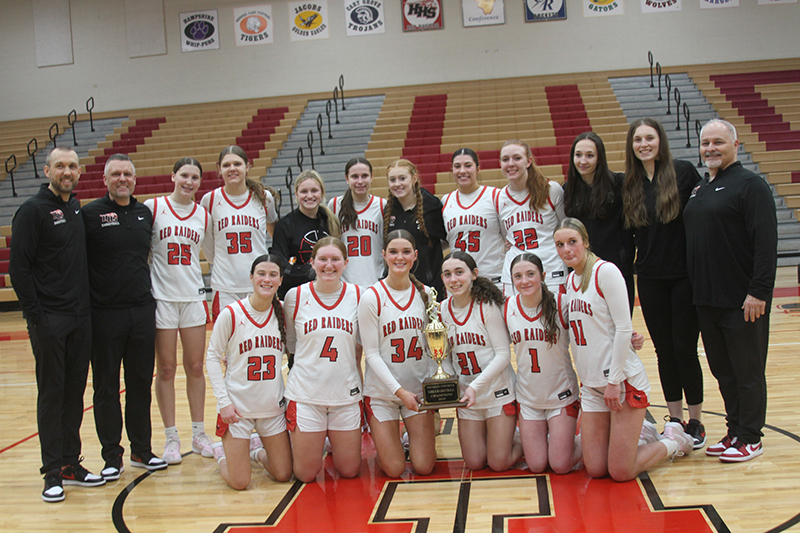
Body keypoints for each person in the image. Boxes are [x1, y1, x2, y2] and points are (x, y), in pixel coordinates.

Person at [554, 218, 693, 482]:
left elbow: (623, 326)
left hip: (622, 382)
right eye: (560, 245)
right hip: (592, 386)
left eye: (572, 242)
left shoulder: (606, 272)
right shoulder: (571, 280)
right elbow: (599, 327)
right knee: (595, 468)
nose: (566, 249)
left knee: (621, 471)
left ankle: (675, 441)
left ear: (585, 241)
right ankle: (643, 433)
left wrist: (614, 381)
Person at [9, 146, 105, 502]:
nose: (67, 171)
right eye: (60, 166)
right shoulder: (32, 211)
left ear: (79, 172)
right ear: (47, 169)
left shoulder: (75, 207)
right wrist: (38, 318)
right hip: (50, 321)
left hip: (81, 318)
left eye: (73, 166)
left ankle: (70, 463)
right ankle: (51, 472)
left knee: (74, 394)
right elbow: (18, 269)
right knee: (52, 395)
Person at [684, 118, 778, 463]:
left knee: (747, 372)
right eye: (706, 142)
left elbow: (766, 244)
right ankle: (735, 430)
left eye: (718, 142)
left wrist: (759, 292)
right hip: (707, 301)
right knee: (724, 372)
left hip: (743, 301)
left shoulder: (750, 185)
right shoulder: (700, 189)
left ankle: (751, 437)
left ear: (735, 145)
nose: (711, 148)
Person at [621, 118, 705, 448]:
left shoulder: (683, 172)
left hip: (684, 276)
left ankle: (696, 421)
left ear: (660, 141)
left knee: (685, 349)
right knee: (664, 351)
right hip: (651, 278)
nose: (644, 144)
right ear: (632, 145)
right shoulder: (630, 183)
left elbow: (701, 217)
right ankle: (675, 418)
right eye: (638, 139)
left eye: (649, 138)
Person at [82, 154, 167, 481]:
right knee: (105, 387)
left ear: (135, 179)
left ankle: (141, 450)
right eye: (115, 174)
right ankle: (111, 455)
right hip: (103, 314)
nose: (122, 179)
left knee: (140, 384)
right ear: (105, 179)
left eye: (127, 174)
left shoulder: (144, 213)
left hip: (142, 311)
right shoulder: (90, 214)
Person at [145, 158, 214, 463]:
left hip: (192, 296)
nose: (189, 181)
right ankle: (171, 436)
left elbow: (211, 254)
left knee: (196, 367)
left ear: (200, 182)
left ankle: (199, 434)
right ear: (173, 176)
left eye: (195, 177)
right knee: (167, 369)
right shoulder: (153, 207)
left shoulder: (202, 214)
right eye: (184, 175)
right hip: (161, 297)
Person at [207, 255, 293, 488]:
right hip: (237, 410)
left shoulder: (285, 313)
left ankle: (255, 453)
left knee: (283, 473)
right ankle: (222, 455)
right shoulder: (232, 313)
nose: (267, 279)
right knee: (240, 482)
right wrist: (224, 402)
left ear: (281, 280)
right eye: (261, 274)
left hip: (272, 409)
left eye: (273, 275)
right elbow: (212, 357)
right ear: (251, 278)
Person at [283, 237, 363, 482]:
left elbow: (360, 348)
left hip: (345, 395)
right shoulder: (294, 297)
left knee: (349, 471)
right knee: (305, 474)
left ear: (346, 263)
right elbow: (291, 346)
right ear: (312, 262)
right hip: (306, 395)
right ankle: (262, 451)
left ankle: (330, 441)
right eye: (323, 259)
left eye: (335, 259)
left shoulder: (359, 295)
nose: (329, 265)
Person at [358, 230, 436, 478]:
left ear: (415, 255)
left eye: (405, 252)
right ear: (383, 255)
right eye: (393, 252)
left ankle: (405, 438)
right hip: (382, 393)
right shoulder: (372, 296)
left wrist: (437, 388)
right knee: (393, 469)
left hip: (418, 392)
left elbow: (436, 347)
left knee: (424, 467)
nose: (399, 257)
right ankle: (394, 439)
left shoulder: (428, 293)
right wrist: (400, 392)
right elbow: (371, 354)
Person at [439, 251, 521, 471]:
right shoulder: (442, 310)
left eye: (459, 272)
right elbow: (444, 356)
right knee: (475, 463)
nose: (453, 279)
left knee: (498, 463)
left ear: (474, 274)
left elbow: (504, 355)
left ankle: (528, 437)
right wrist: (448, 383)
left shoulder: (487, 306)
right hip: (468, 399)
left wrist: (475, 386)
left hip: (497, 392)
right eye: (447, 274)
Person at [505, 254, 580, 474]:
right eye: (518, 276)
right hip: (529, 399)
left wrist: (628, 336)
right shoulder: (508, 306)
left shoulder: (561, 303)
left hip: (561, 396)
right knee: (537, 466)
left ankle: (592, 437)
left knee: (560, 465)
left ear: (543, 276)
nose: (524, 281)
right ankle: (549, 438)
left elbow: (593, 324)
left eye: (530, 274)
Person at [201, 145, 279, 320]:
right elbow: (208, 245)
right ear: (219, 169)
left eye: (237, 164)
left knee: (262, 339)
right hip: (225, 286)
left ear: (247, 166)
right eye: (226, 165)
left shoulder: (264, 197)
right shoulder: (210, 200)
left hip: (260, 283)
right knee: (230, 344)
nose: (232, 169)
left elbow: (275, 233)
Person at [564, 132, 635, 309]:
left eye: (590, 155)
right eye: (578, 155)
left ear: (600, 158)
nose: (583, 161)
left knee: (619, 325)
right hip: (582, 271)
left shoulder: (619, 183)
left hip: (616, 268)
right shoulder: (568, 190)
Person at [497, 140, 566, 295]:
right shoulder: (499, 197)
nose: (511, 164)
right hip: (514, 273)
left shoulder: (551, 190)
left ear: (528, 161)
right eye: (505, 159)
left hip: (550, 270)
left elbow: (565, 227)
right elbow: (504, 235)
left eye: (517, 158)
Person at [270, 170, 341, 299]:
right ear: (296, 194)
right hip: (297, 294)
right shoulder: (285, 225)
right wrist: (309, 272)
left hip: (328, 291)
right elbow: (280, 265)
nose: (309, 196)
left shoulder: (331, 221)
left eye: (314, 191)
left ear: (322, 192)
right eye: (304, 192)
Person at [441, 148, 505, 288]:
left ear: (478, 169)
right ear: (451, 170)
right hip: (460, 282)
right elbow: (444, 240)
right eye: (457, 166)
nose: (462, 171)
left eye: (468, 165)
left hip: (493, 279)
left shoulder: (496, 196)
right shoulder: (446, 201)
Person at [329, 157, 386, 285]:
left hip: (375, 280)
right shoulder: (334, 205)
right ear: (346, 178)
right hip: (344, 282)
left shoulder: (382, 205)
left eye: (364, 176)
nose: (360, 181)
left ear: (371, 177)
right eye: (355, 176)